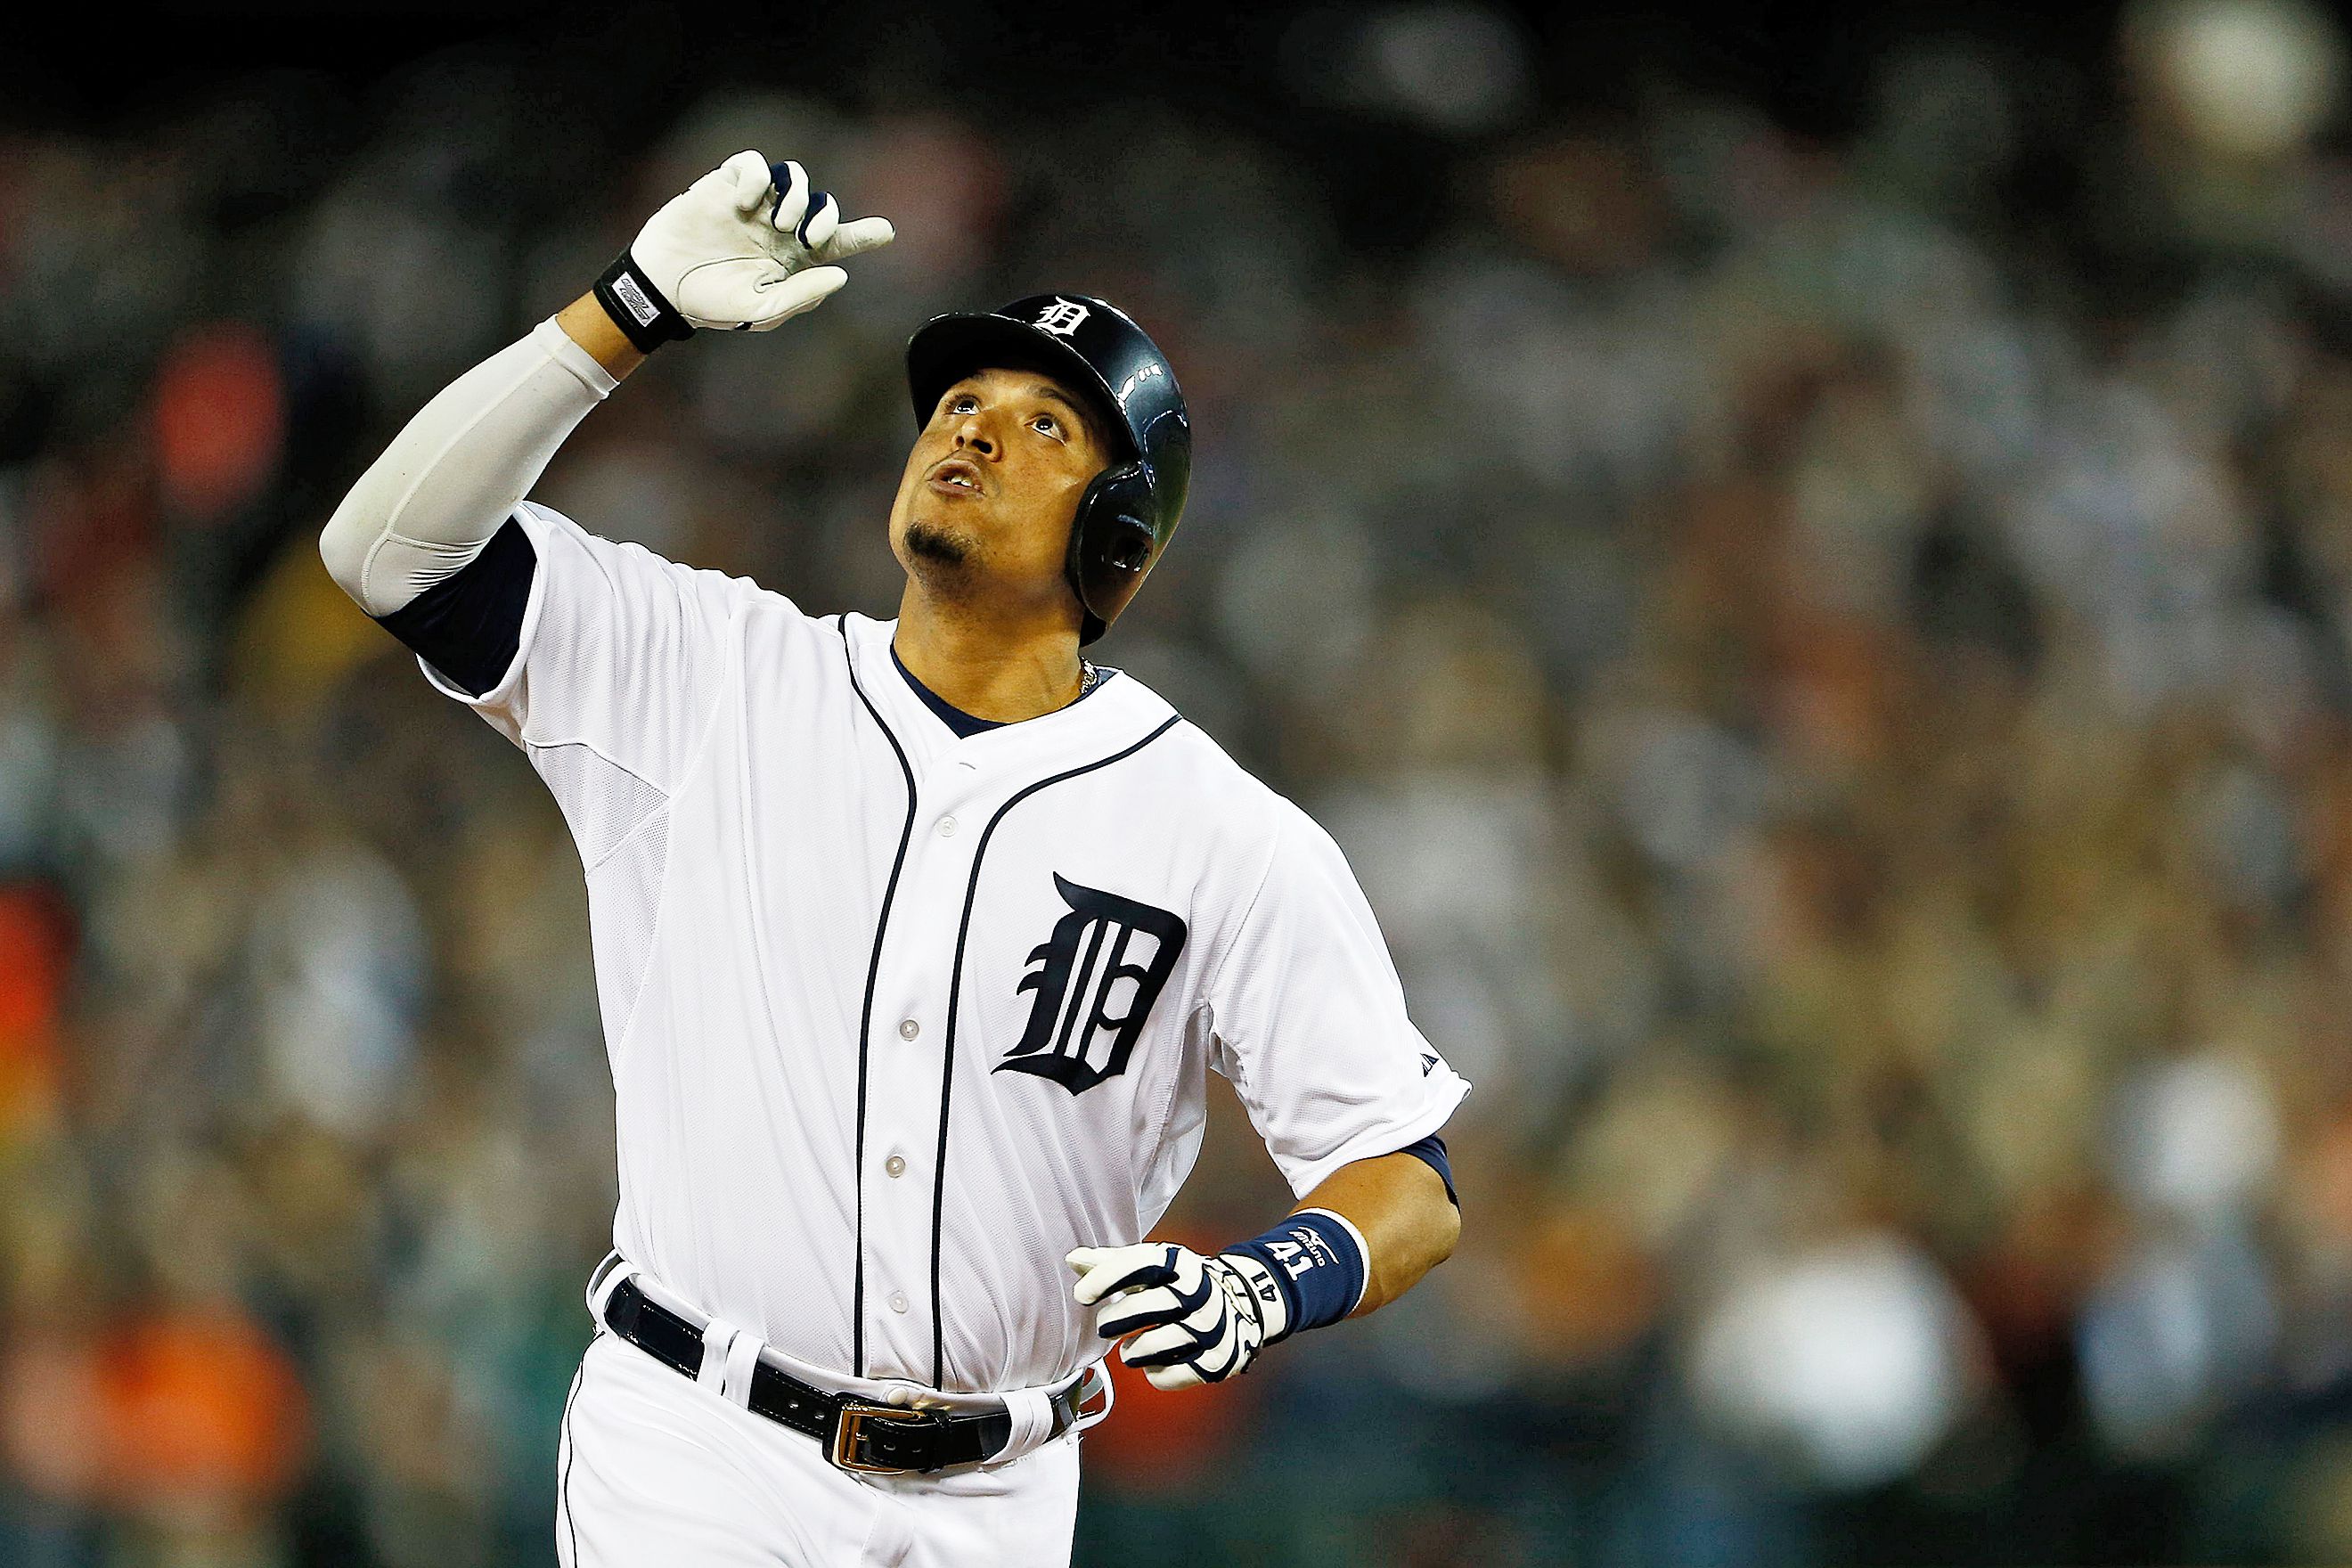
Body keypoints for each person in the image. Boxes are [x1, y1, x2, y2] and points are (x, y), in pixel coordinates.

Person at [319, 150, 1468, 1566]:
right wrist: (624, 313)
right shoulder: (718, 675)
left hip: (1002, 1488)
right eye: (961, 404)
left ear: (1122, 530)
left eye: (1048, 425)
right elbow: (390, 551)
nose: (973, 431)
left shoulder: (1220, 833)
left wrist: (1259, 1287)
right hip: (699, 1446)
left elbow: (1401, 1175)